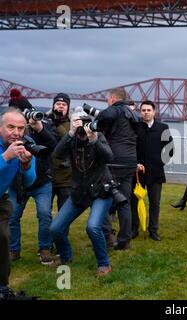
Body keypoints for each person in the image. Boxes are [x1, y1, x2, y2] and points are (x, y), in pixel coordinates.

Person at [50, 108, 114, 276]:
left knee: (92, 227)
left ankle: (104, 264)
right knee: (55, 228)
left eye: (83, 123)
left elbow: (109, 157)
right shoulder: (71, 139)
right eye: (76, 123)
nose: (81, 128)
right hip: (80, 191)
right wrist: (70, 133)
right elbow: (57, 154)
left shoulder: (97, 136)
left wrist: (94, 140)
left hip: (101, 190)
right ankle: (66, 257)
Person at [7, 90, 58, 264]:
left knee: (44, 215)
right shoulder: (10, 132)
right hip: (16, 183)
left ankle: (44, 248)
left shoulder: (42, 124)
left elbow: (54, 146)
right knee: (12, 216)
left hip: (42, 181)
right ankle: (13, 250)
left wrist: (40, 128)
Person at [0, 108, 36, 299]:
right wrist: (6, 157)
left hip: (1, 202)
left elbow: (30, 181)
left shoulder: (25, 145)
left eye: (21, 128)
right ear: (0, 128)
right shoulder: (8, 150)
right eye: (11, 127)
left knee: (3, 240)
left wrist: (26, 165)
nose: (16, 132)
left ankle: (2, 287)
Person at [98, 88, 139, 250]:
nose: (107, 102)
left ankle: (107, 235)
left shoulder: (114, 110)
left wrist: (96, 124)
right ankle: (125, 240)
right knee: (124, 201)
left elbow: (102, 119)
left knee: (102, 198)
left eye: (108, 99)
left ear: (113, 98)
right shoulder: (133, 114)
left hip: (113, 161)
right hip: (129, 161)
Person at [132, 100, 174, 241]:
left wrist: (159, 162)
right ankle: (134, 229)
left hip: (156, 172)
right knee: (134, 201)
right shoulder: (135, 127)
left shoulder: (163, 127)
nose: (146, 112)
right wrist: (135, 163)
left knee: (155, 203)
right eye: (143, 110)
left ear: (154, 112)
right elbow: (130, 148)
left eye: (148, 110)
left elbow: (170, 149)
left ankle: (153, 230)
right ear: (140, 112)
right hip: (137, 172)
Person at [48, 93, 72, 213]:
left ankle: (61, 233)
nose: (61, 106)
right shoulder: (45, 122)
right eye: (58, 104)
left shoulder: (73, 124)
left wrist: (57, 124)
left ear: (68, 108)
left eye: (64, 104)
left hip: (66, 178)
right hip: (48, 176)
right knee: (45, 213)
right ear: (53, 106)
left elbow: (69, 141)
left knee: (63, 214)